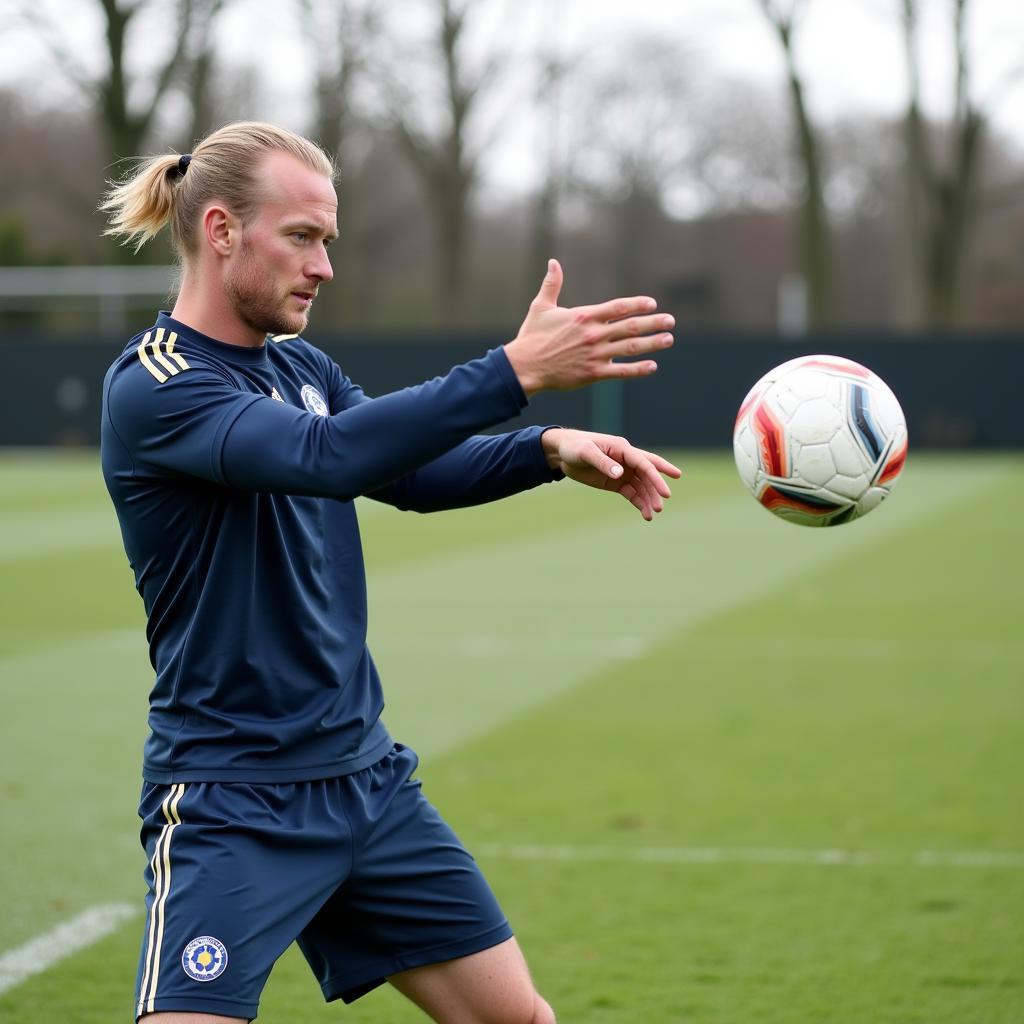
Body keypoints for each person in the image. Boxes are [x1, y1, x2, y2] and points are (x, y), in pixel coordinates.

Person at [99, 121, 680, 1024]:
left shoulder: (303, 367)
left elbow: (400, 472)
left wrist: (545, 448)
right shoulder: (157, 384)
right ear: (220, 231)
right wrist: (512, 373)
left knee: (518, 1019)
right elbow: (327, 457)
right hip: (233, 799)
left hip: (367, 786)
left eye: (326, 240)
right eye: (301, 237)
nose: (323, 265)